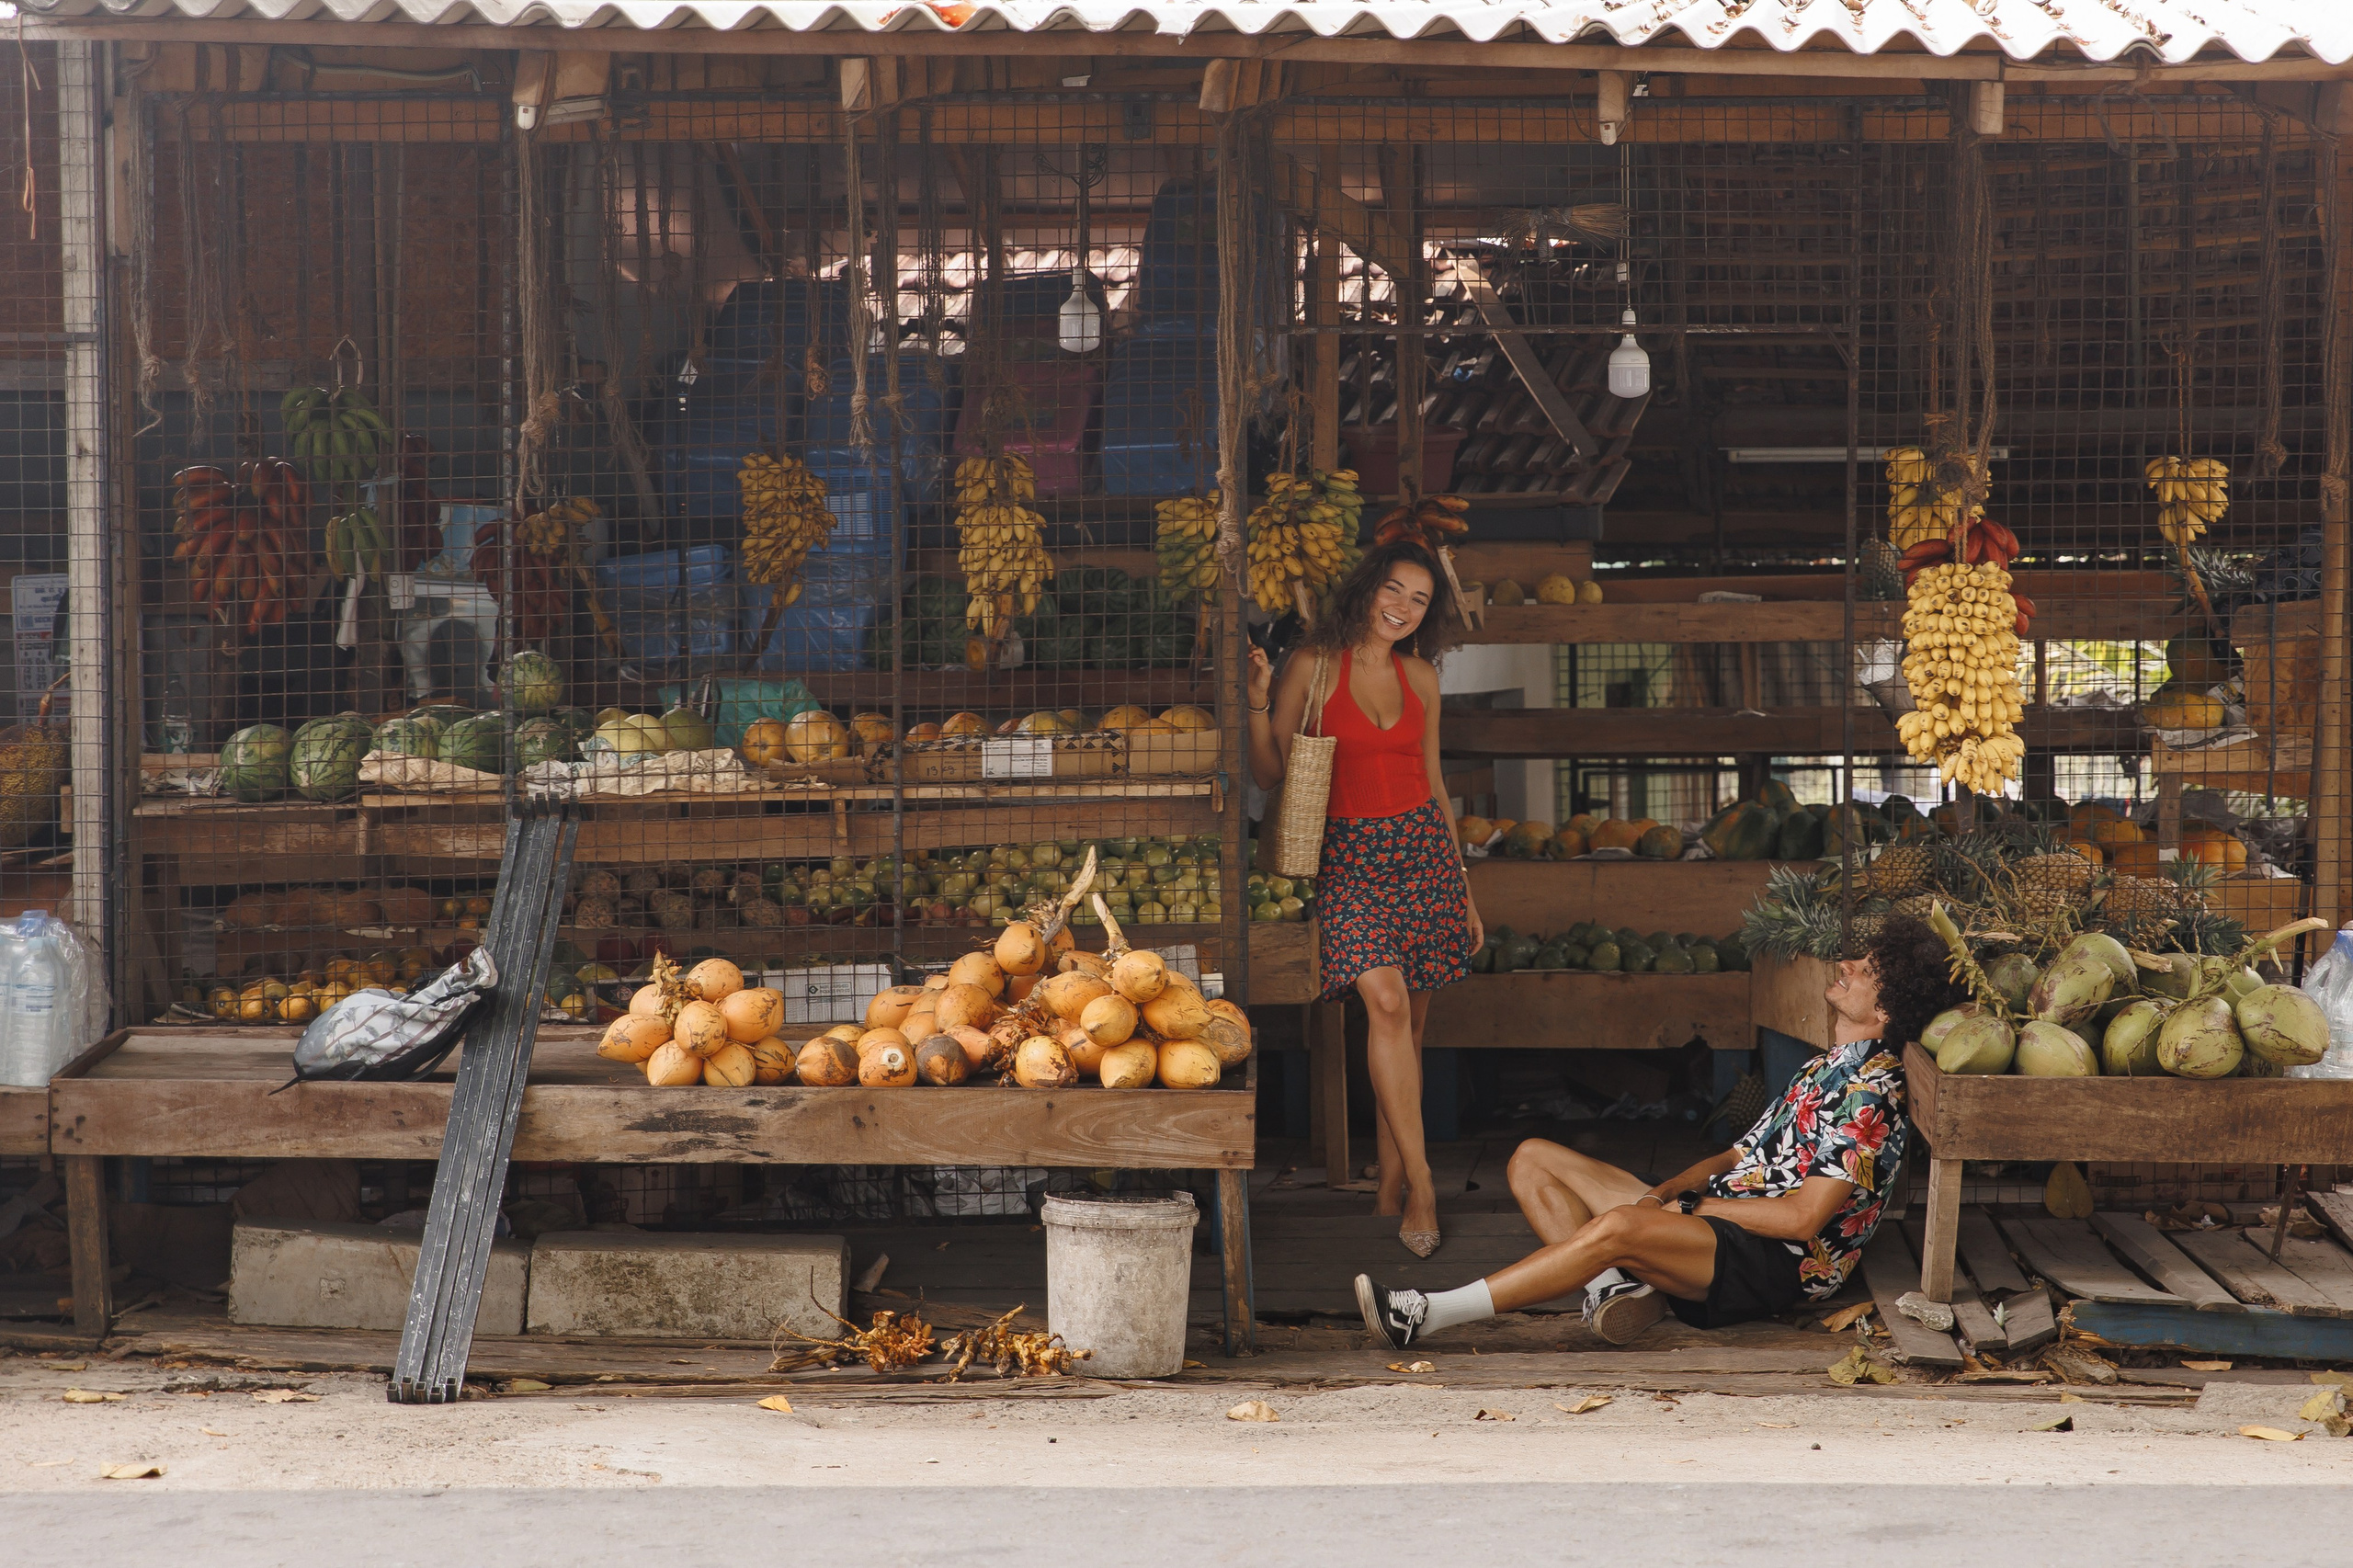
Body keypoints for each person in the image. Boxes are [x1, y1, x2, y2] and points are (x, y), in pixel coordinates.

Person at [1354, 915, 1963, 1346]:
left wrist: (1692, 1209)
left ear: (1883, 1013)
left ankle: (1426, 1315)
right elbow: (1735, 1154)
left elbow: (1802, 1220)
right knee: (1532, 1157)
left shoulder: (1871, 1096)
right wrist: (1666, 1191)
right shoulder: (1822, 1068)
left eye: (1864, 970)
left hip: (1774, 1262)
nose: (1846, 965)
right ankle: (1617, 1290)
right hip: (1727, 1220)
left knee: (1615, 1226)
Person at [1246, 538, 1482, 1258]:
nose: (1404, 608)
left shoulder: (1422, 678)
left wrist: (1465, 892)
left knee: (1406, 1032)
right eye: (1394, 590)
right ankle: (1423, 1184)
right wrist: (1257, 706)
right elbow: (1269, 772)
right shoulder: (1313, 667)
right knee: (1382, 1003)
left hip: (1424, 856)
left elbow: (1435, 783)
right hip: (1349, 859)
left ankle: (1389, 1187)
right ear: (1367, 589)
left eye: (1419, 599)